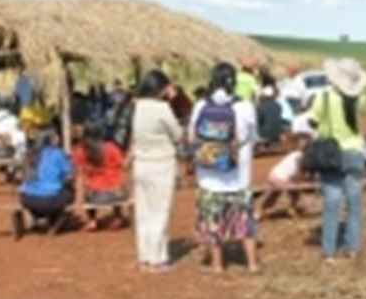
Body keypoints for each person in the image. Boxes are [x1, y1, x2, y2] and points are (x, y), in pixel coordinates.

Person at [190, 62, 259, 274]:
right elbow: (253, 136)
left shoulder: (201, 105)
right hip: (238, 176)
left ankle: (217, 265)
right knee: (245, 221)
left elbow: (192, 137)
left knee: (213, 222)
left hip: (208, 176)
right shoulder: (245, 106)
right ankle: (252, 264)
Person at [312, 58, 366, 262]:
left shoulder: (324, 97)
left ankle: (329, 250)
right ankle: (352, 247)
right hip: (354, 151)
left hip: (331, 154)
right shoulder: (360, 99)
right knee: (354, 203)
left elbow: (313, 120)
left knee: (332, 203)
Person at [129, 69, 183, 271]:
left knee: (143, 212)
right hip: (161, 163)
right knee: (160, 211)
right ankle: (158, 258)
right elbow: (178, 135)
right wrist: (173, 100)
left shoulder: (138, 106)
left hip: (141, 163)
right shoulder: (162, 108)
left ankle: (144, 256)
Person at [13, 130, 74, 238]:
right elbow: (69, 175)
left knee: (35, 190)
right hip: (51, 199)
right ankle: (55, 222)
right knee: (69, 191)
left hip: (27, 199)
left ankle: (36, 217)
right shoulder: (57, 153)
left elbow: (20, 176)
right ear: (51, 141)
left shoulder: (29, 154)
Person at [73, 122, 128, 231]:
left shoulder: (81, 150)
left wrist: (79, 199)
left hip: (94, 196)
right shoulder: (111, 148)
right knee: (116, 183)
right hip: (115, 194)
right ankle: (117, 217)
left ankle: (92, 220)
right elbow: (123, 166)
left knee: (88, 188)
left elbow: (79, 175)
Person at [259, 134, 311, 217]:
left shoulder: (295, 154)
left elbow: (293, 171)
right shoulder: (300, 156)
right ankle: (291, 209)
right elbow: (298, 172)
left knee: (275, 193)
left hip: (273, 175)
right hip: (280, 179)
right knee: (295, 192)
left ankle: (263, 209)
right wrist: (303, 179)